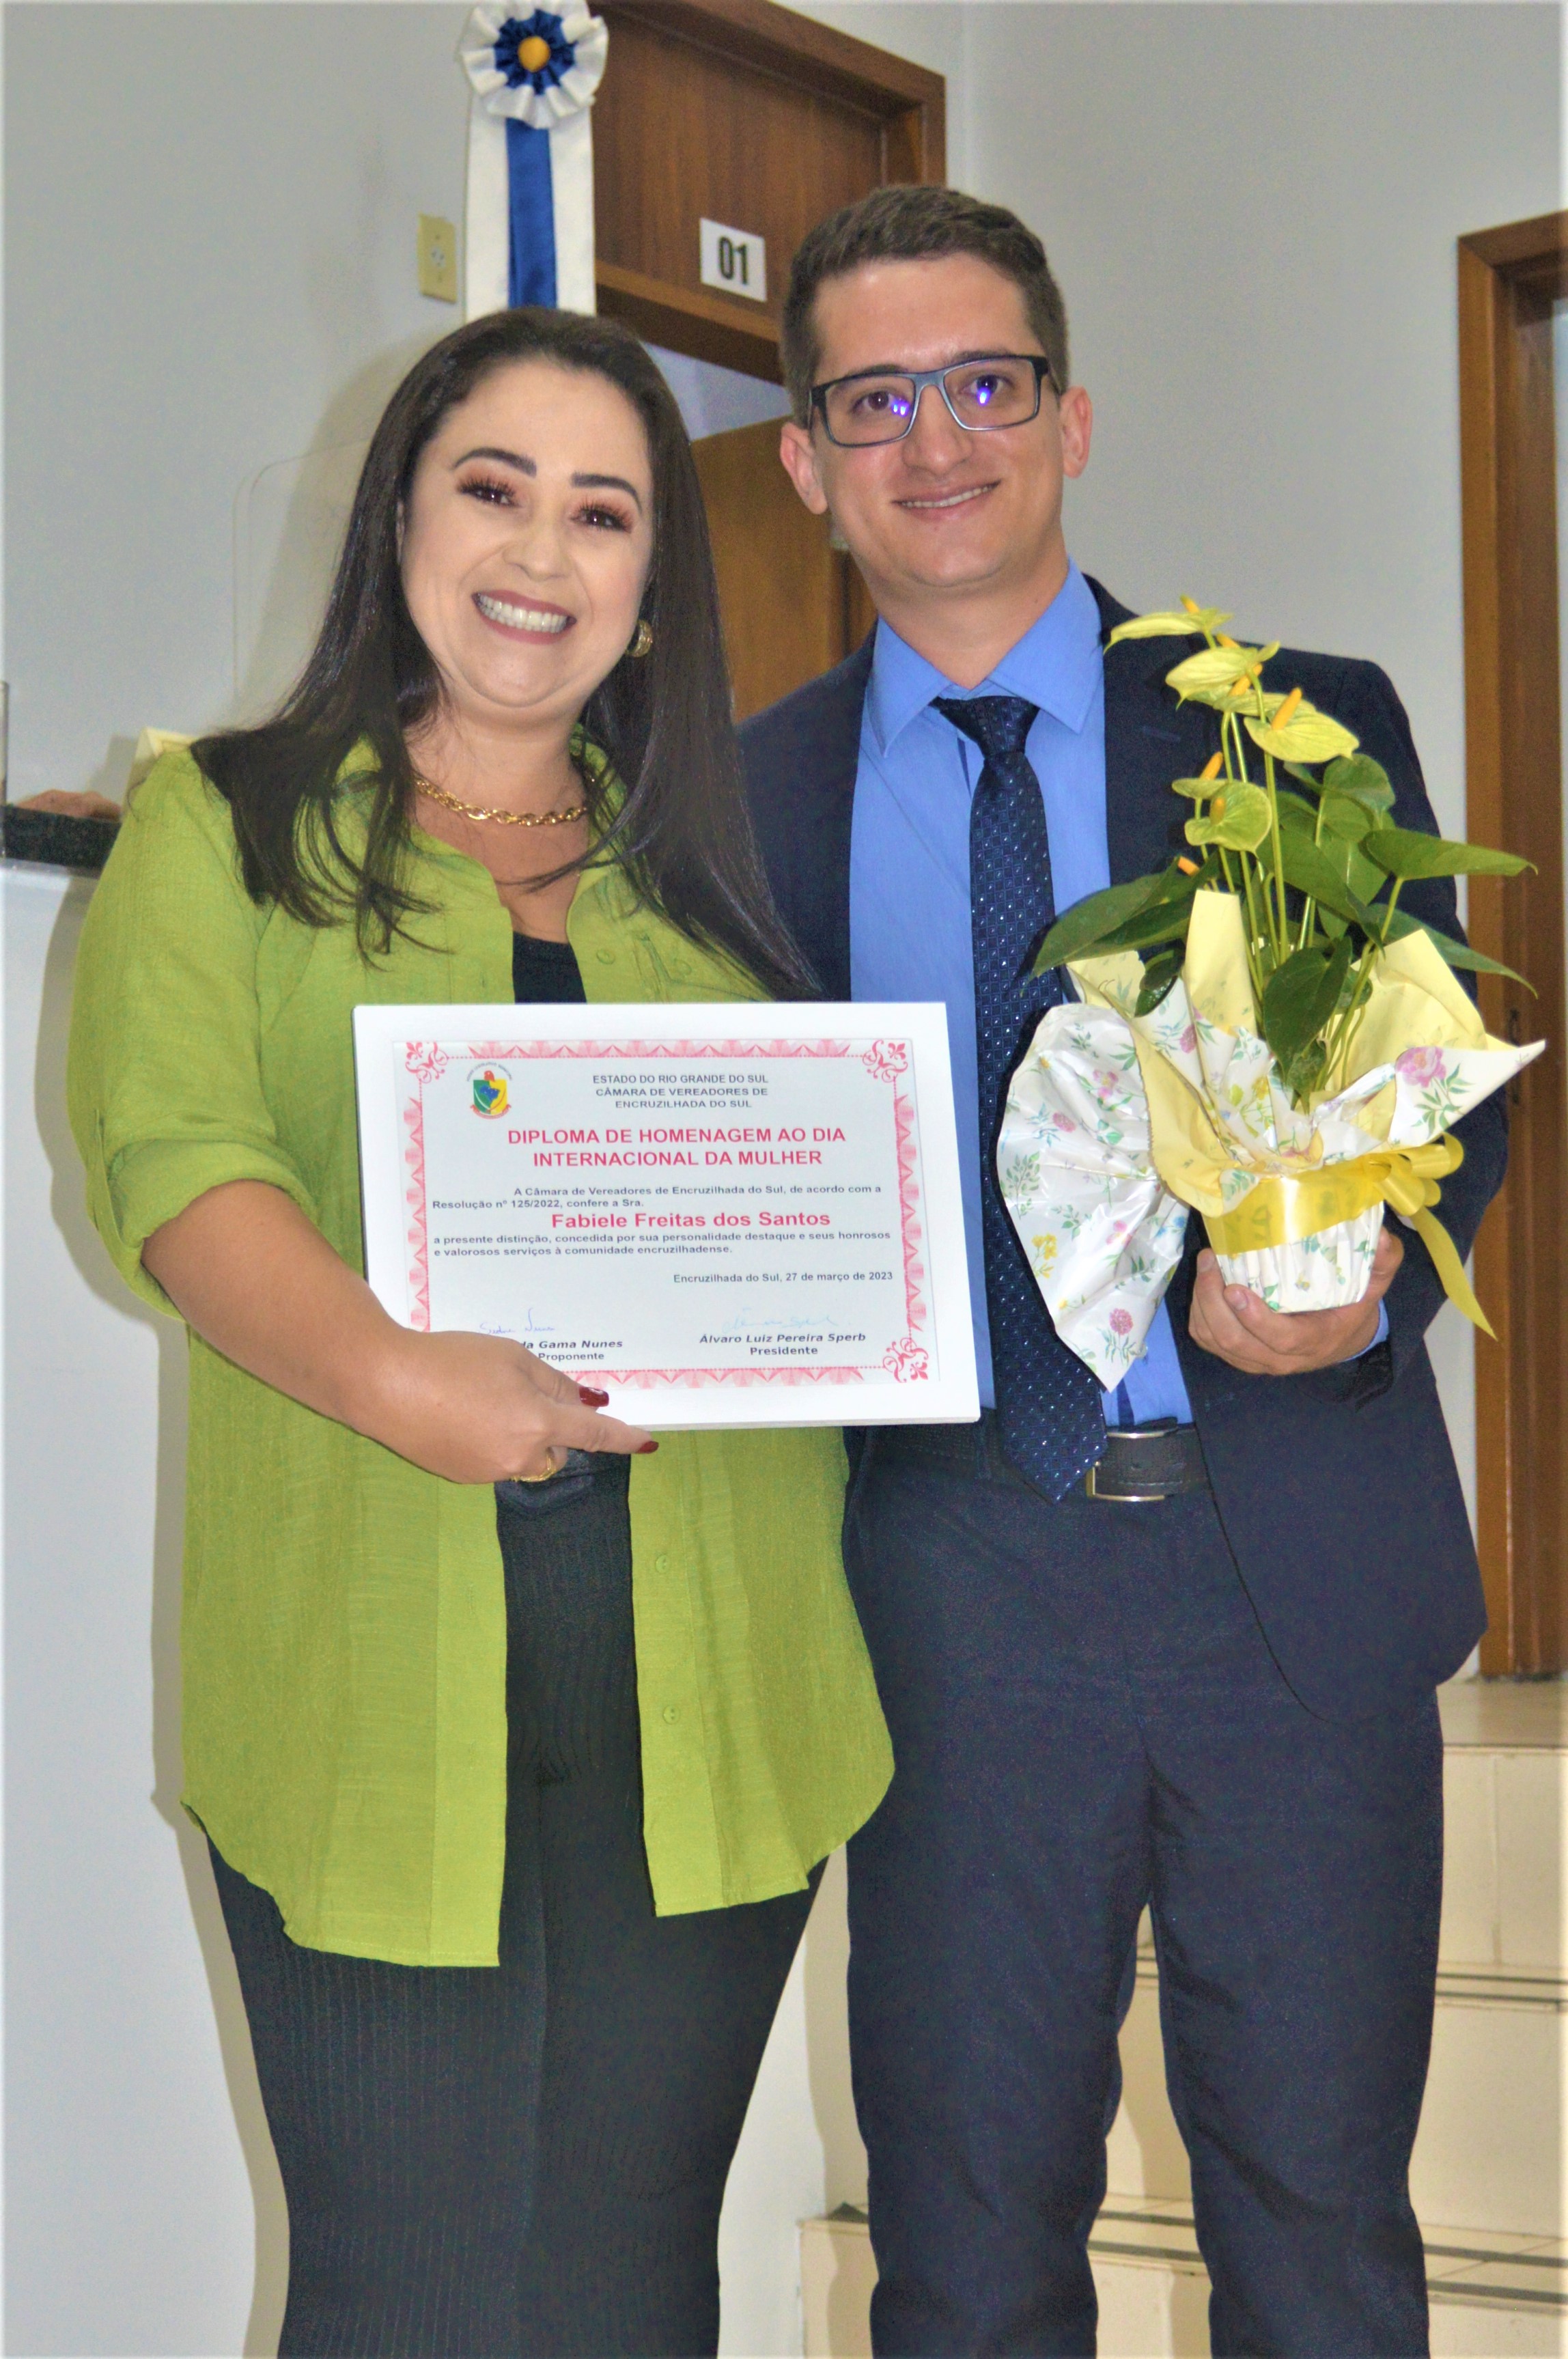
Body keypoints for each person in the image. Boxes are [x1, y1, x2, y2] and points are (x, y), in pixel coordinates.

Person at [68, 305, 892, 2359]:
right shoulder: (221, 825)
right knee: (404, 2297)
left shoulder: (722, 874)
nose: (542, 551)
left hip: (711, 1681)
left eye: (604, 513)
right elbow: (178, 1168)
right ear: (403, 521)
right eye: (494, 488)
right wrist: (402, 1381)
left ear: (654, 580)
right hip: (369, 1677)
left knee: (631, 2291)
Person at [740, 184, 1506, 2359]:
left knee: (1321, 2235)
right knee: (967, 2248)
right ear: (805, 461)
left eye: (986, 383)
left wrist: (1369, 1286)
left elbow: (1440, 1080)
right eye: (874, 400)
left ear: (1071, 420)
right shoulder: (735, 794)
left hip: (1290, 1569)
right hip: (950, 1581)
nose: (936, 440)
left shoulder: (1297, 727)